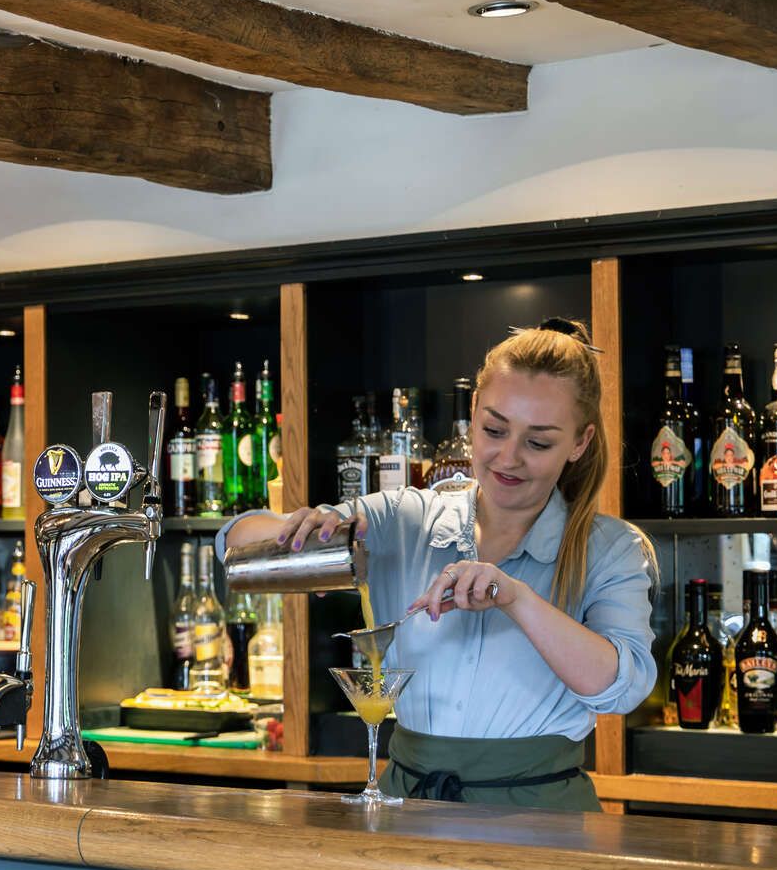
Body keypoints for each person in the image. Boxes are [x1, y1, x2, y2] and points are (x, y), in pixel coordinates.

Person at [220, 318, 656, 811]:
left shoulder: (610, 548)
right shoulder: (406, 519)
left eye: (538, 442)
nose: (507, 458)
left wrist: (514, 597)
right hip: (407, 806)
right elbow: (234, 540)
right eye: (494, 429)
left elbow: (620, 688)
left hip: (542, 819)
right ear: (472, 412)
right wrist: (307, 531)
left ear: (579, 443)